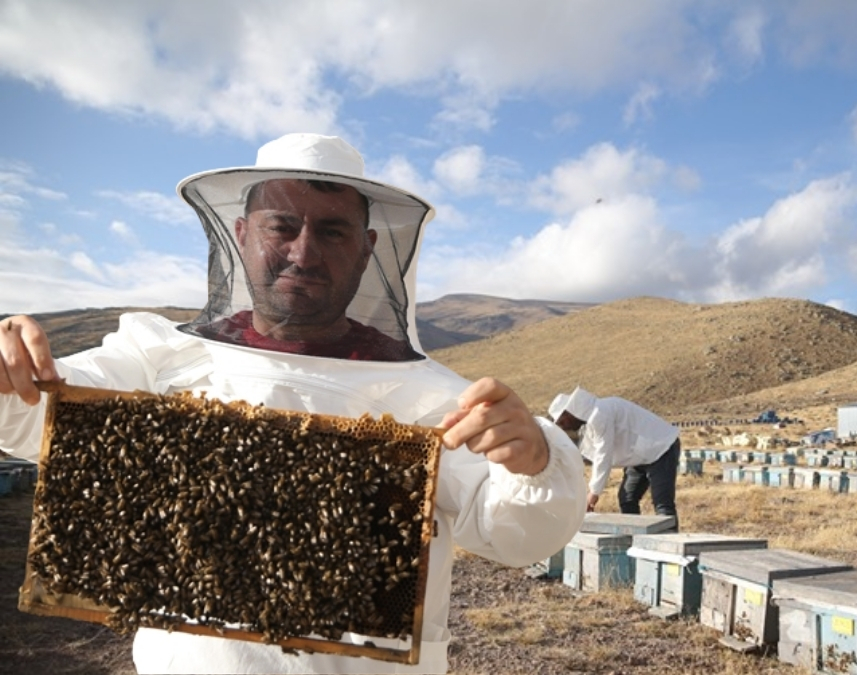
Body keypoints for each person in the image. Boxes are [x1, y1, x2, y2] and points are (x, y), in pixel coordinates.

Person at [0, 133, 587, 674]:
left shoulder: (433, 397)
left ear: (367, 250)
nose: (304, 253)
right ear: (241, 235)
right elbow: (38, 415)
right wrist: (12, 375)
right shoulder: (156, 359)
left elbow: (517, 535)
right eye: (281, 226)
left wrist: (531, 461)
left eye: (332, 232)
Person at [550, 386, 680, 525]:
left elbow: (603, 454)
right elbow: (588, 454)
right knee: (627, 498)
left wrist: (593, 493)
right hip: (638, 458)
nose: (564, 426)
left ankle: (670, 543)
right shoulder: (590, 422)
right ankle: (634, 539)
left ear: (570, 412)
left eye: (563, 422)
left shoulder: (600, 413)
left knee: (662, 505)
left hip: (661, 448)